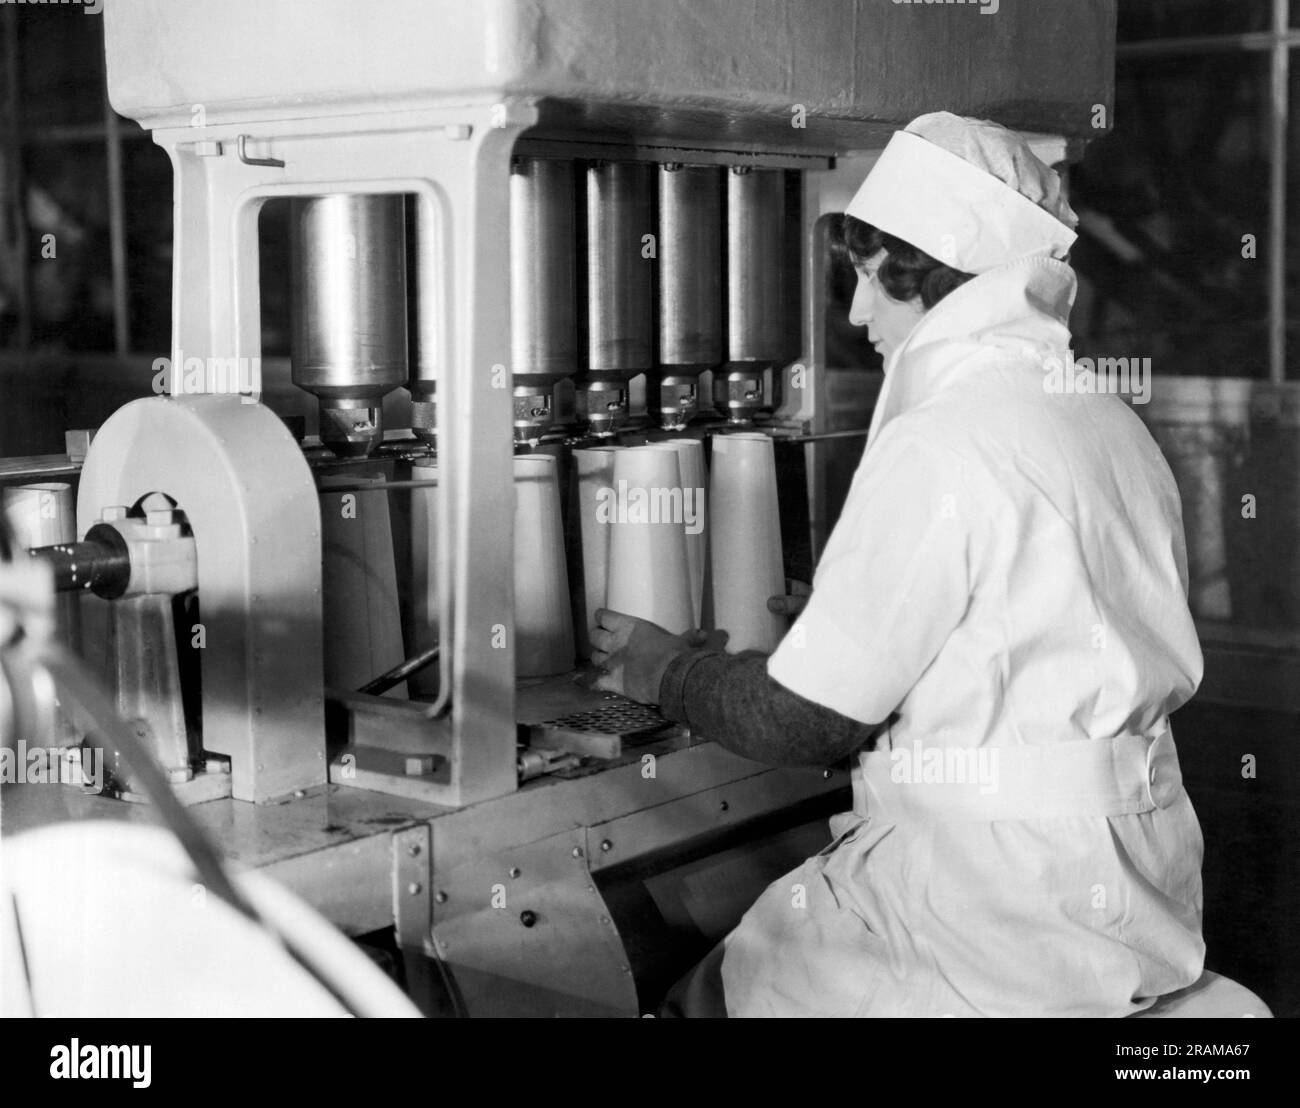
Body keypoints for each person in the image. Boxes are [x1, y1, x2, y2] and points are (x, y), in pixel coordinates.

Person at [589, 112, 1206, 1017]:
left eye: (872, 281)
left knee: (701, 1002)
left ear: (933, 279)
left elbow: (806, 728)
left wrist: (666, 669)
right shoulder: (1103, 417)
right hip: (1131, 884)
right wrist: (874, 628)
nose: (854, 313)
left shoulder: (942, 439)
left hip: (982, 906)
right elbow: (1045, 633)